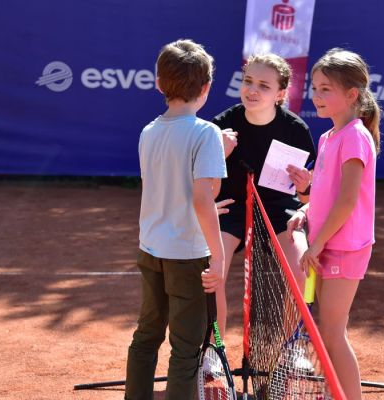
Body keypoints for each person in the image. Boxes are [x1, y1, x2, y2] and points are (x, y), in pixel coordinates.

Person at [124, 39, 226, 400]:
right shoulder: (206, 133)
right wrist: (219, 254)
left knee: (146, 336)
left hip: (151, 249)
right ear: (206, 88)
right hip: (188, 255)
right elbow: (202, 196)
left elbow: (175, 190)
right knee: (185, 349)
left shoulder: (148, 132)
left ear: (158, 84)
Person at [286, 48, 381, 400]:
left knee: (333, 332)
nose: (316, 95)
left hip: (343, 247)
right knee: (326, 331)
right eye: (315, 87)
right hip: (325, 242)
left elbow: (348, 200)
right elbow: (325, 196)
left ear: (351, 95)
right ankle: (334, 393)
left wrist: (317, 243)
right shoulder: (328, 137)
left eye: (326, 89)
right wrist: (305, 211)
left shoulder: (356, 136)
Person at [211, 53, 316, 338]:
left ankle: (292, 347)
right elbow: (202, 185)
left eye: (264, 85)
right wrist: (218, 154)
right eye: (248, 81)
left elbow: (308, 199)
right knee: (211, 271)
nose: (252, 90)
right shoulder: (220, 126)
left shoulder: (296, 130)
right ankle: (212, 349)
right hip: (232, 207)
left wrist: (305, 186)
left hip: (279, 207)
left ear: (281, 93)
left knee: (302, 268)